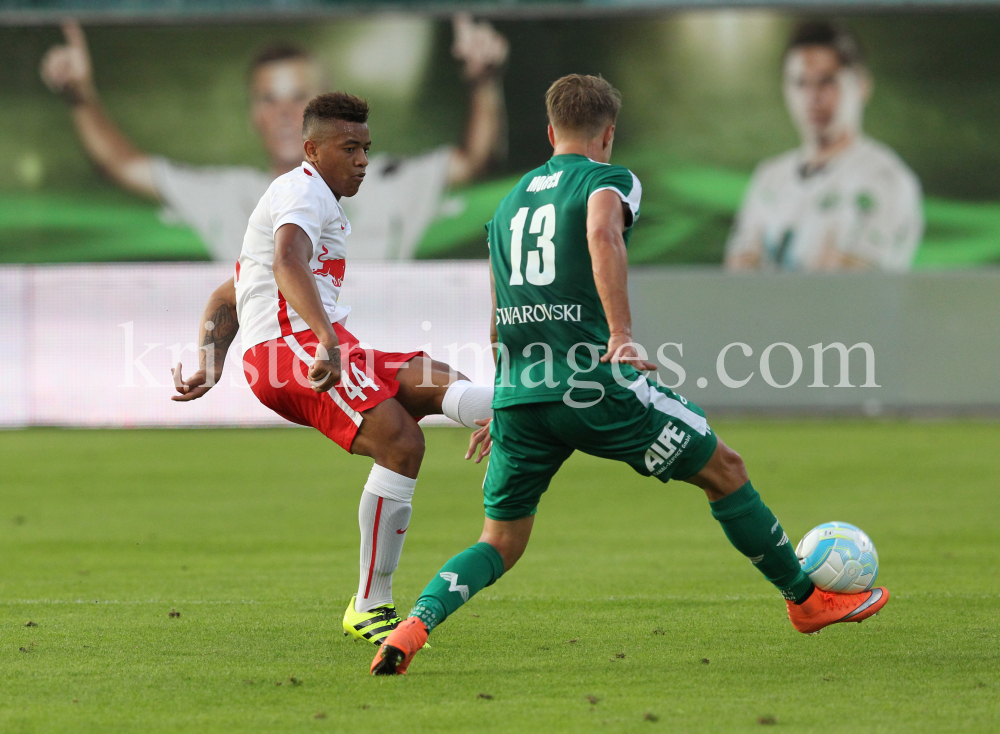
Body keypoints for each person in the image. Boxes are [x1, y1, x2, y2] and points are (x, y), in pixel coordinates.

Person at [368, 74, 890, 675]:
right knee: (726, 470)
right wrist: (620, 335)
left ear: (549, 131)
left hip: (519, 390)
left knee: (500, 542)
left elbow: (497, 303)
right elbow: (600, 231)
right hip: (593, 386)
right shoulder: (608, 179)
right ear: (608, 135)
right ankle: (806, 600)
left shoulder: (509, 202)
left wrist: (503, 398)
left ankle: (413, 626)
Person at [170, 92, 495, 646]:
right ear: (312, 149)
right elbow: (286, 261)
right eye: (350, 148)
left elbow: (233, 291)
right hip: (290, 350)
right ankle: (370, 606)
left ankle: (517, 414)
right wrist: (324, 338)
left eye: (367, 148)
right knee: (401, 442)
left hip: (317, 343)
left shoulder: (310, 197)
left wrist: (210, 359)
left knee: (439, 379)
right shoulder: (301, 191)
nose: (364, 160)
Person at [40, 16, 508, 261]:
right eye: (269, 98)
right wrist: (81, 98)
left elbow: (475, 158)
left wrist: (483, 82)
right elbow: (123, 166)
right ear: (252, 116)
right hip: (275, 375)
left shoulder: (387, 181)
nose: (286, 112)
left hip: (375, 362)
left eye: (298, 95)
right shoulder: (228, 194)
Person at [725, 21, 923, 272]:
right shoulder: (768, 177)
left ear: (861, 85)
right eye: (800, 83)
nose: (812, 97)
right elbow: (737, 276)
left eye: (826, 82)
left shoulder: (886, 179)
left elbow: (849, 290)